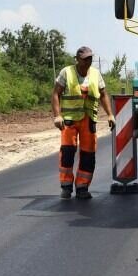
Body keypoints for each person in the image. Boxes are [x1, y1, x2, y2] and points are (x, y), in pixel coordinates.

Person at [51, 46, 115, 200]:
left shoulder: (95, 74)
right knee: (67, 153)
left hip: (88, 120)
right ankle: (66, 187)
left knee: (88, 155)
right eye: (85, 58)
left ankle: (82, 187)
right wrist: (57, 116)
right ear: (77, 59)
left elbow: (103, 94)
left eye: (90, 58)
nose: (88, 61)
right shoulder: (66, 72)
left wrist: (110, 114)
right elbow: (55, 94)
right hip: (69, 120)